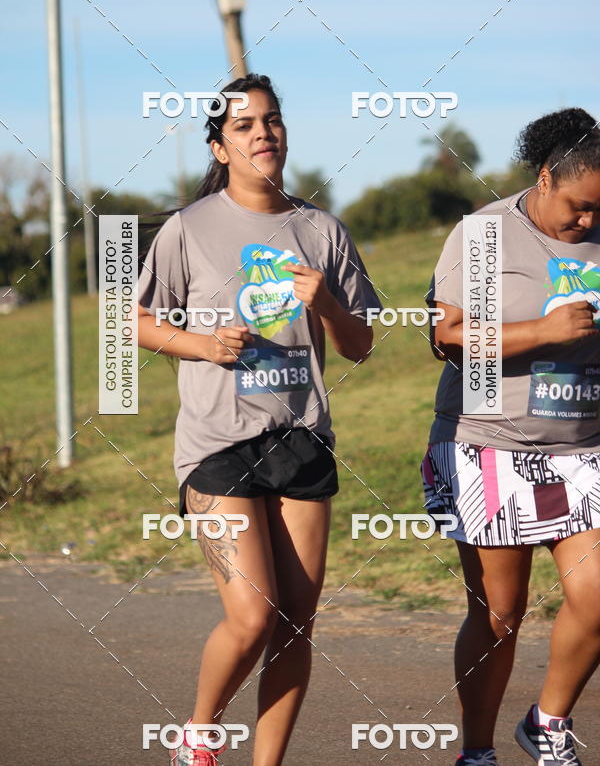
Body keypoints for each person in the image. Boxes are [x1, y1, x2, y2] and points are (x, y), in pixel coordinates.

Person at [137, 73, 381, 766]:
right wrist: (205, 345)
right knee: (252, 616)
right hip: (217, 445)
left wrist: (328, 304)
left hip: (302, 440)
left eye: (271, 120)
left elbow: (360, 346)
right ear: (219, 147)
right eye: (244, 126)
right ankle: (199, 734)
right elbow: (139, 324)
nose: (263, 133)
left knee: (295, 626)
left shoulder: (322, 229)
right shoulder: (187, 228)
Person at [421, 108, 600, 766]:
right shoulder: (488, 235)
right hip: (488, 443)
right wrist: (542, 334)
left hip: (583, 449)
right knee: (500, 614)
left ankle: (548, 724)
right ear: (548, 177)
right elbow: (447, 335)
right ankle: (477, 751)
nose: (588, 224)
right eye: (579, 208)